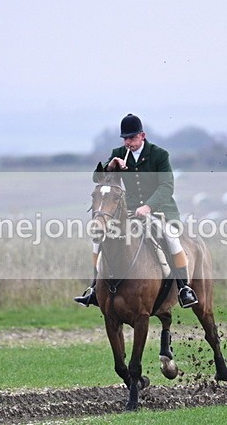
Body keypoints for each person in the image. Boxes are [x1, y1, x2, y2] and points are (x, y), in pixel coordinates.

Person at [74, 113, 198, 308]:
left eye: (131, 138)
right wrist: (111, 166)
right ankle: (94, 289)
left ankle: (184, 289)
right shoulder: (119, 153)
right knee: (98, 239)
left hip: (161, 210)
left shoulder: (159, 155)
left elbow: (166, 187)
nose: (128, 142)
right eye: (125, 138)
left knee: (171, 237)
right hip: (130, 211)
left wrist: (149, 206)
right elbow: (96, 178)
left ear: (142, 135)